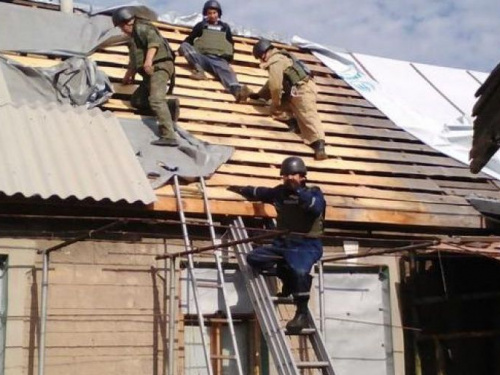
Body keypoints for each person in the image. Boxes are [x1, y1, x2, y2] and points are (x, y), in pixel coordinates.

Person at [228, 156, 325, 332]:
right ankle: (287, 277)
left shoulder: (313, 193)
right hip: (283, 244)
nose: (289, 178)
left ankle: (301, 312)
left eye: (293, 175)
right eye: (285, 175)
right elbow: (260, 192)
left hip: (307, 244)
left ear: (302, 176)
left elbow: (315, 208)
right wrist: (240, 189)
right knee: (254, 258)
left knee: (300, 270)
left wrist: (300, 194)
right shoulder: (279, 193)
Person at [251, 39, 327, 160]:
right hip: (293, 91)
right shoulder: (281, 57)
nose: (261, 60)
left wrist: (276, 102)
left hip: (302, 89)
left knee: (308, 115)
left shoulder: (275, 61)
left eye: (260, 57)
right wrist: (260, 95)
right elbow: (272, 83)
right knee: (276, 110)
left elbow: (275, 86)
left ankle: (319, 145)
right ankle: (293, 122)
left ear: (264, 53)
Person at [113, 7, 178, 146]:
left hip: (159, 66)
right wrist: (127, 77)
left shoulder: (142, 27)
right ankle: (170, 107)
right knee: (137, 101)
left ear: (127, 23)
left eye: (121, 27)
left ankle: (169, 136)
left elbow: (154, 43)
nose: (121, 30)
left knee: (155, 99)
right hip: (150, 72)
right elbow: (134, 61)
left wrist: (148, 61)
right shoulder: (133, 39)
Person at [178, 1, 250, 102]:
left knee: (229, 75)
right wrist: (180, 50)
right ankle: (199, 71)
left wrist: (228, 59)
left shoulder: (225, 28)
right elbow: (189, 40)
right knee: (184, 46)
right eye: (209, 13)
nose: (212, 15)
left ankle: (238, 93)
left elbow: (230, 45)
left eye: (214, 13)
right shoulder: (201, 26)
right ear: (206, 14)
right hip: (202, 57)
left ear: (218, 14)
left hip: (219, 60)